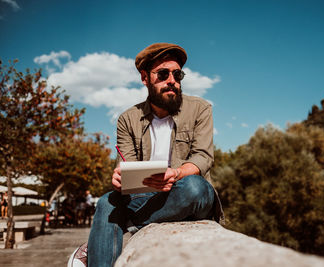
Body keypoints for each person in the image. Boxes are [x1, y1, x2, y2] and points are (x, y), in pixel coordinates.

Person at [68, 43, 223, 267]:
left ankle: (117, 228)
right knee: (107, 201)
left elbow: (202, 157)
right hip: (145, 197)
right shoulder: (127, 119)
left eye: (177, 74)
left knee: (195, 187)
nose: (172, 80)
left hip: (186, 194)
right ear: (145, 78)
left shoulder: (200, 109)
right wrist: (120, 179)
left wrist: (177, 173)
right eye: (163, 74)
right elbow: (126, 165)